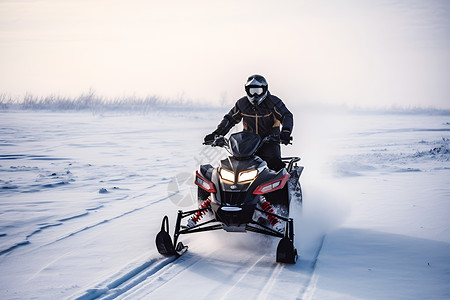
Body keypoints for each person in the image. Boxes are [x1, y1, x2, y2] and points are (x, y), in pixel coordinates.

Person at [204, 74, 293, 171]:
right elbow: (229, 119)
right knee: (235, 167)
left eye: (258, 91)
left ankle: (286, 184)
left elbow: (286, 116)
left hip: (270, 140)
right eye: (252, 91)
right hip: (247, 143)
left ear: (265, 89)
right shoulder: (242, 104)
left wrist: (286, 132)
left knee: (274, 164)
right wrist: (217, 134)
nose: (255, 95)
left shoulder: (273, 102)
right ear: (247, 90)